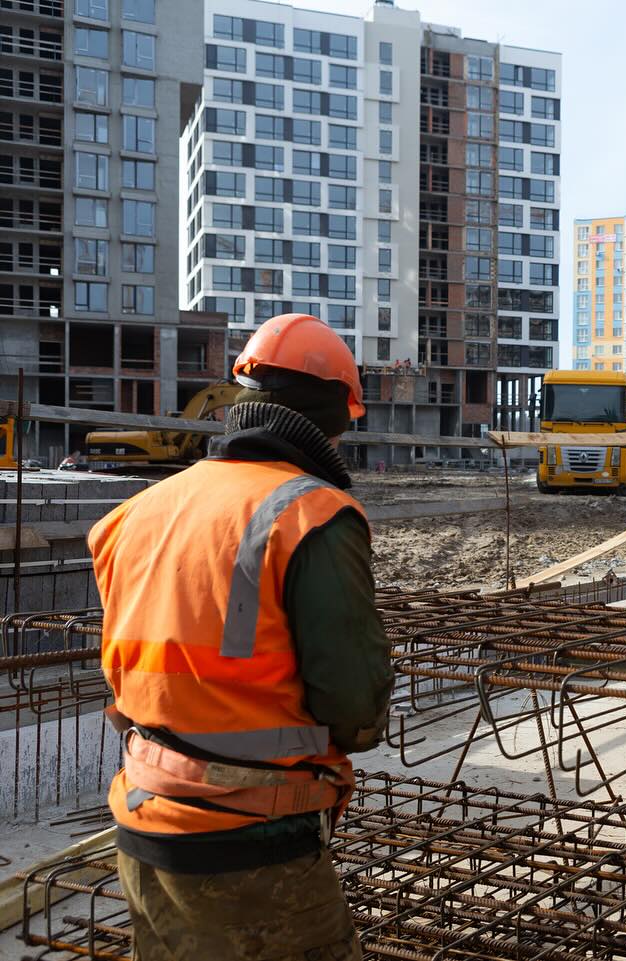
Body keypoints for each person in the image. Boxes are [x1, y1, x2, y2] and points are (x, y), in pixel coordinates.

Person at [88, 313, 393, 961]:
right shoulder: (312, 513)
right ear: (334, 414)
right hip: (251, 845)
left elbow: (123, 673)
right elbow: (356, 708)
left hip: (143, 828)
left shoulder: (137, 512)